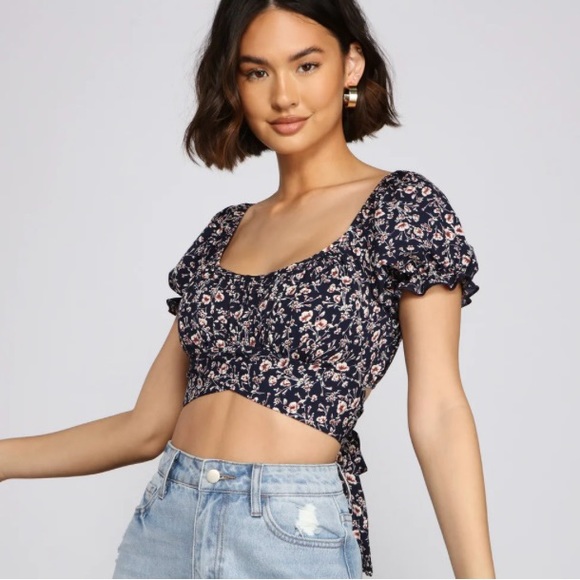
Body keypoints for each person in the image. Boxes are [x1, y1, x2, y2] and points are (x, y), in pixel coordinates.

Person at [0, 0, 496, 578]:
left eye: (306, 65)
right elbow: (145, 428)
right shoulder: (225, 231)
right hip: (167, 527)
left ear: (351, 64)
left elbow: (439, 411)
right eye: (257, 72)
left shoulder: (402, 209)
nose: (283, 96)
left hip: (288, 531)